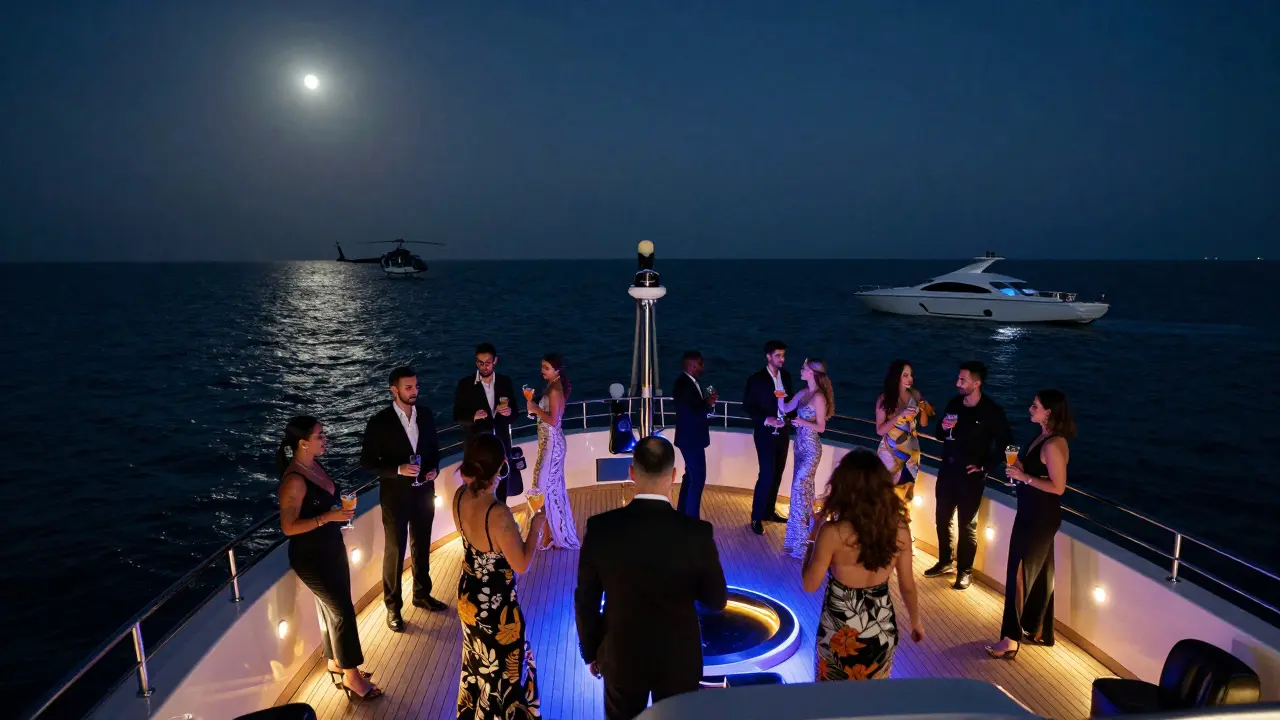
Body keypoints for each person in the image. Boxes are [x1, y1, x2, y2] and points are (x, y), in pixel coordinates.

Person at [574, 436, 728, 720]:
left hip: (621, 655)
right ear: (672, 476)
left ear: (632, 473)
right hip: (678, 660)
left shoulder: (601, 529)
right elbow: (717, 600)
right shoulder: (696, 533)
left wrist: (593, 651)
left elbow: (585, 599)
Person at [277, 417, 382, 702]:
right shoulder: (294, 480)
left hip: (331, 547)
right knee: (342, 611)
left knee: (332, 609)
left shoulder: (313, 466)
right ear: (303, 443)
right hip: (311, 557)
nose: (325, 439)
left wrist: (334, 515)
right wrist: (328, 517)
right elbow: (288, 527)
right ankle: (352, 676)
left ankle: (335, 661)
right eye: (320, 436)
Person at [801, 449, 924, 681]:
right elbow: (907, 585)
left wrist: (812, 534)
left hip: (839, 634)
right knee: (871, 704)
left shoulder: (832, 533)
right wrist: (916, 622)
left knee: (830, 703)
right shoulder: (900, 531)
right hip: (881, 631)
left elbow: (809, 584)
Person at [454, 434, 548, 719]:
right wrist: (537, 524)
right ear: (502, 466)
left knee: (478, 665)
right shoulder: (498, 513)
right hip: (497, 609)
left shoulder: (459, 495)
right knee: (505, 677)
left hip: (468, 597)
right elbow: (521, 564)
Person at [987, 389, 1075, 660]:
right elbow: (1036, 472)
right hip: (1031, 512)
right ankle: (1037, 629)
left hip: (1039, 517)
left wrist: (1024, 477)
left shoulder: (1053, 444)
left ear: (1049, 411)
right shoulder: (1042, 437)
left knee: (1019, 572)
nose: (1030, 407)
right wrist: (1020, 470)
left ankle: (1010, 639)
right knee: (1041, 574)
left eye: (1035, 405)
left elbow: (1059, 487)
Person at [361, 366, 446, 634]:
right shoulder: (379, 422)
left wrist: (435, 468)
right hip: (395, 496)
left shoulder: (427, 415)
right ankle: (393, 607)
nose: (414, 392)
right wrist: (397, 469)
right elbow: (367, 462)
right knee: (395, 552)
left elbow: (433, 450)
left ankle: (422, 594)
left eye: (416, 387)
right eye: (408, 388)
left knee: (422, 546)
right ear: (394, 390)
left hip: (424, 491)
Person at [927, 361, 1011, 590]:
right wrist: (943, 429)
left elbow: (1006, 443)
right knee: (942, 518)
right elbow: (939, 434)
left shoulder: (991, 412)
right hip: (947, 471)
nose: (957, 383)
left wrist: (985, 467)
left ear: (977, 383)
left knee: (967, 526)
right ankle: (945, 561)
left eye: (963, 380)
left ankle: (965, 571)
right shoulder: (954, 403)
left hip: (970, 477)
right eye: (958, 378)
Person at [453, 343, 523, 503]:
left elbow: (515, 414)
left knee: (502, 489)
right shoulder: (465, 385)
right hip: (477, 449)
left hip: (501, 446)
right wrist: (473, 416)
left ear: (495, 361)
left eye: (487, 362)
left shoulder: (505, 382)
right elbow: (457, 416)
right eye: (480, 362)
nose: (484, 367)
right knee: (477, 495)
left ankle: (500, 519)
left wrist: (509, 412)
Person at [779, 358, 834, 558]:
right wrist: (779, 395)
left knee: (799, 490)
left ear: (812, 372)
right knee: (802, 493)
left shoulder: (819, 397)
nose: (801, 370)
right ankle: (795, 541)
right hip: (799, 448)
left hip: (811, 448)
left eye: (804, 368)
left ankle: (801, 545)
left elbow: (821, 427)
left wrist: (802, 421)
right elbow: (785, 408)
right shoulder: (804, 393)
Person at [526, 353, 580, 549]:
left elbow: (554, 421)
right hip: (546, 444)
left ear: (557, 371)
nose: (542, 370)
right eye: (542, 366)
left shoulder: (555, 390)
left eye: (546, 367)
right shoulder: (551, 387)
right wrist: (536, 410)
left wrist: (535, 408)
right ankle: (550, 535)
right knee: (548, 490)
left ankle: (555, 535)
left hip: (552, 446)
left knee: (543, 489)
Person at [743, 340, 793, 535]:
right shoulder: (756, 379)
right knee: (766, 474)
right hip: (764, 433)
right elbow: (747, 406)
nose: (782, 359)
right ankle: (756, 516)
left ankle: (769, 511)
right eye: (778, 355)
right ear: (768, 356)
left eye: (783, 355)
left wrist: (789, 418)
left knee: (778, 472)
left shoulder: (786, 377)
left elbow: (790, 401)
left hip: (783, 432)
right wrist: (766, 419)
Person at [874, 359, 931, 518]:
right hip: (889, 452)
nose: (910, 379)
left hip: (912, 453)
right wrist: (900, 415)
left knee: (906, 493)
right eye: (905, 375)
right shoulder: (884, 399)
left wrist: (924, 409)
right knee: (885, 492)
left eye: (911, 375)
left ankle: (901, 531)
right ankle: (881, 528)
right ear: (896, 376)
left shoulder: (915, 394)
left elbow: (924, 423)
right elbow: (879, 430)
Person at [672, 350, 716, 519]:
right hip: (691, 440)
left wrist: (706, 402)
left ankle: (683, 513)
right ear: (691, 365)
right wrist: (707, 404)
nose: (702, 367)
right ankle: (692, 521)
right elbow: (690, 414)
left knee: (690, 476)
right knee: (697, 479)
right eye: (700, 364)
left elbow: (692, 409)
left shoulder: (688, 383)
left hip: (690, 438)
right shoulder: (684, 385)